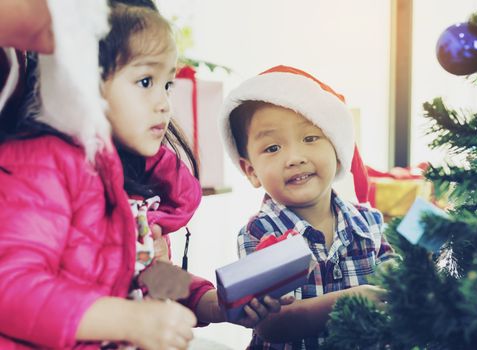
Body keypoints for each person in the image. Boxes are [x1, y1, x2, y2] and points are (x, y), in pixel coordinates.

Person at [0, 3, 286, 350]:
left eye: (167, 84)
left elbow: (144, 274)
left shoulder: (123, 174)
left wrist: (212, 302)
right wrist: (130, 320)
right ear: (84, 81)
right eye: (145, 81)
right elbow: (11, 289)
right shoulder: (41, 165)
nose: (165, 103)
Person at [218, 65, 397, 349]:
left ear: (338, 151)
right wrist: (351, 300)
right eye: (273, 148)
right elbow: (271, 325)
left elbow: (395, 284)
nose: (295, 157)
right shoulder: (259, 232)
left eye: (310, 138)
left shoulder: (370, 222)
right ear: (251, 170)